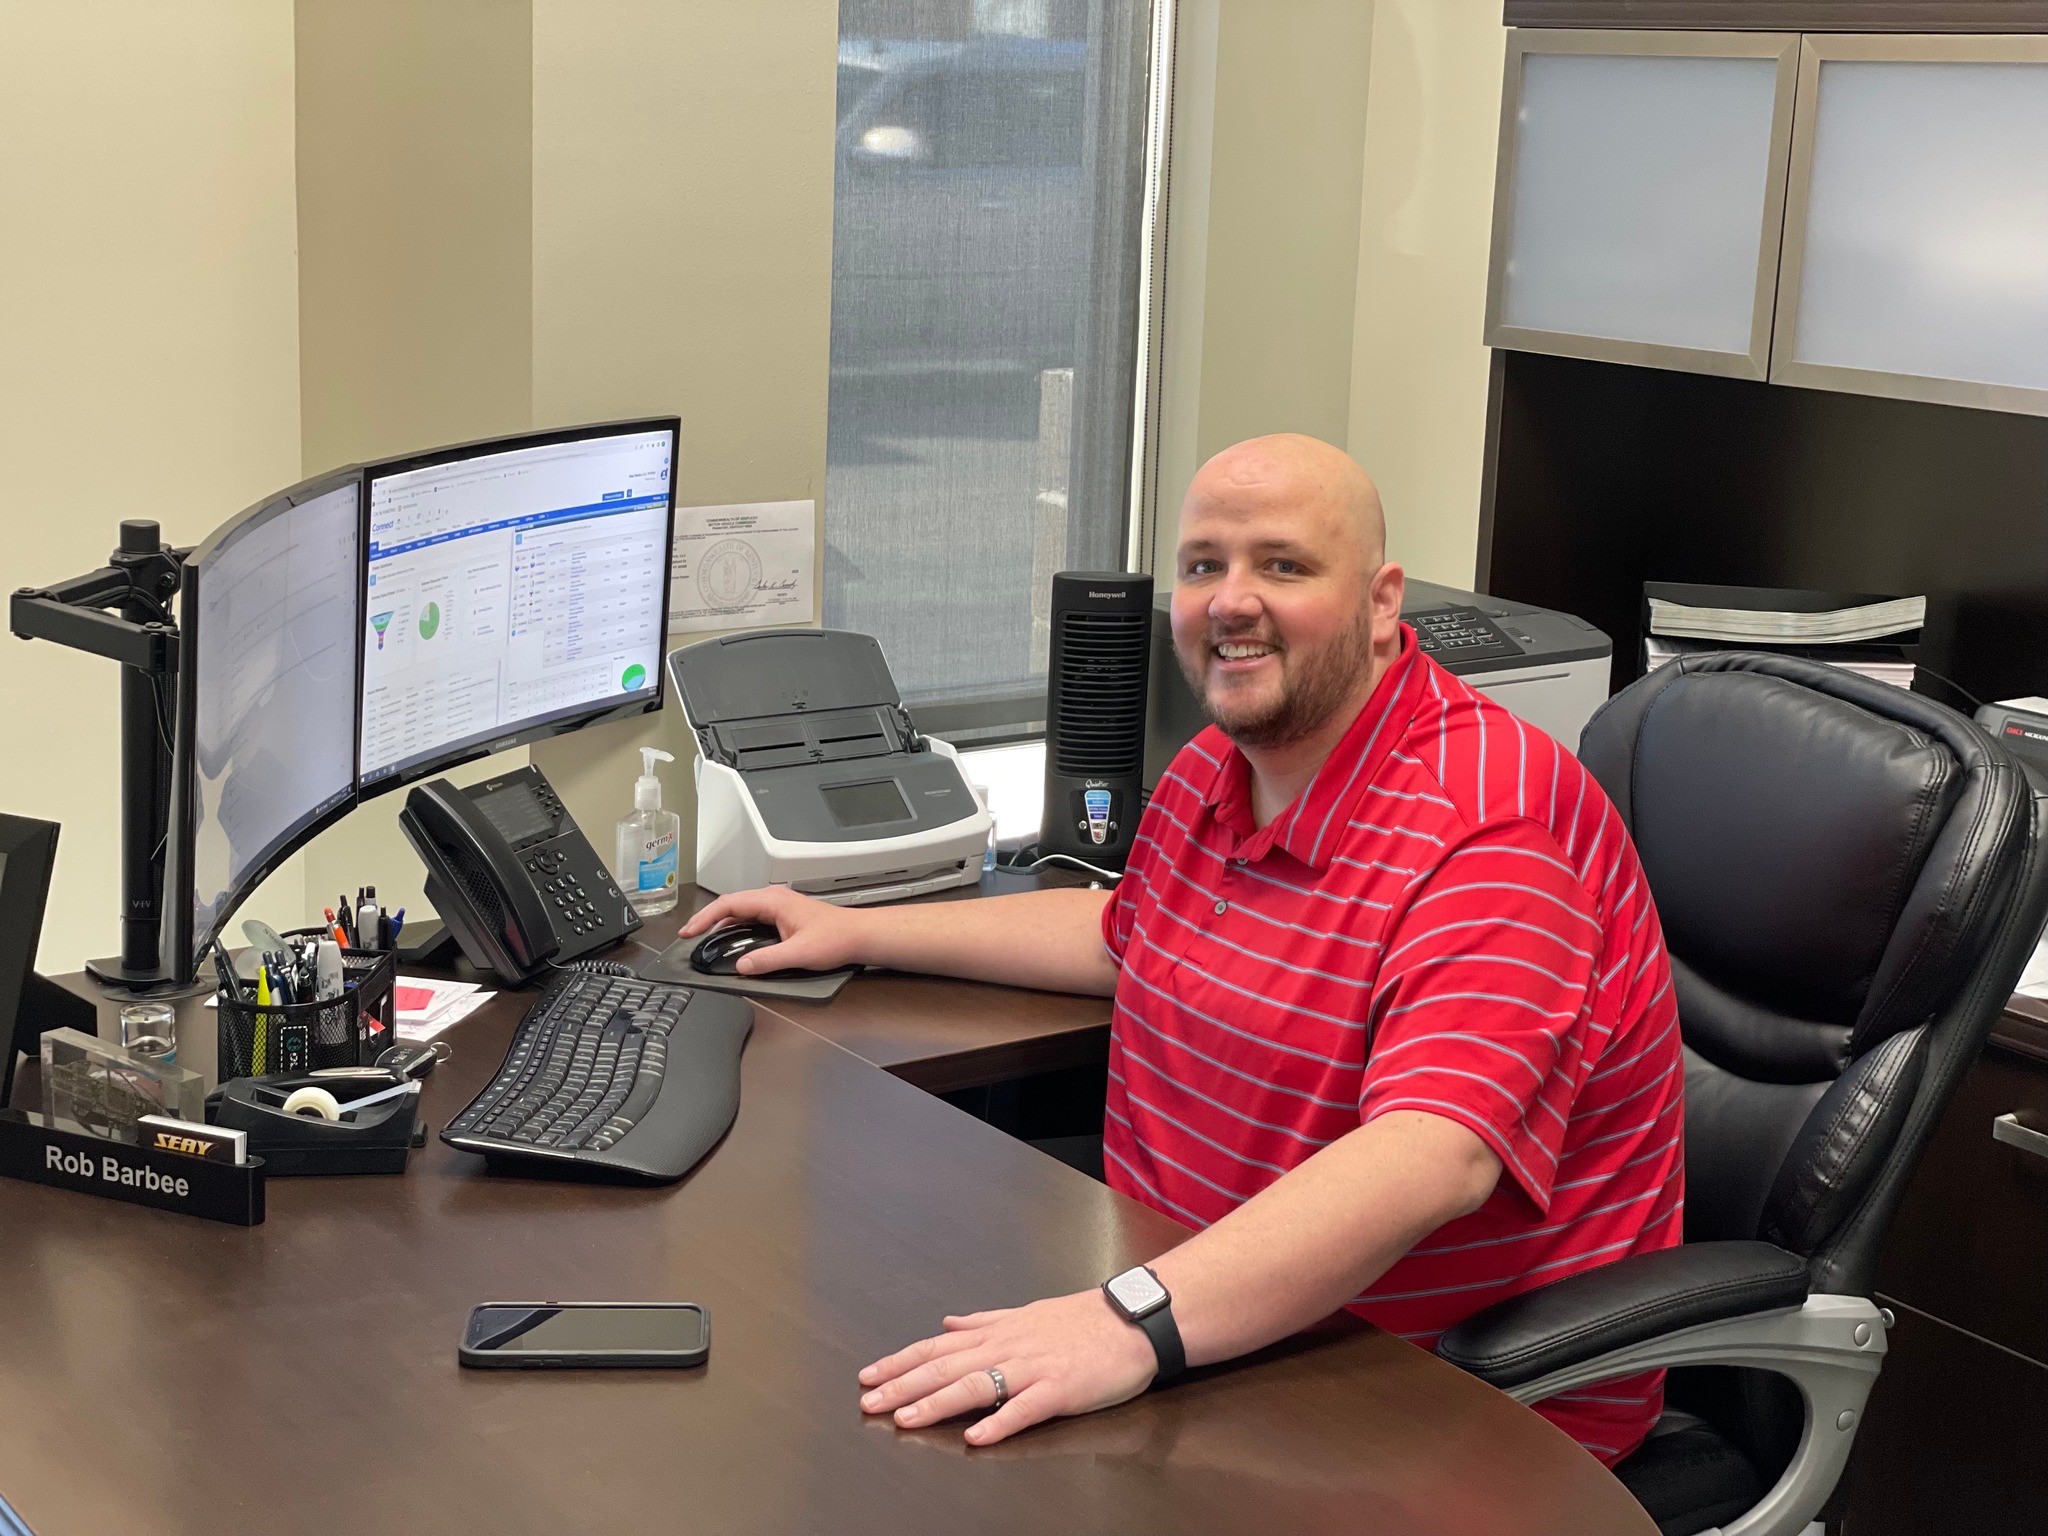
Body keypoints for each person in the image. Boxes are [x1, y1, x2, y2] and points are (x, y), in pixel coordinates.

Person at [679, 434, 1684, 1466]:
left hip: (1435, 1404)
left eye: (1282, 565)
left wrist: (1124, 1323)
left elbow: (1432, 1157)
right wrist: (855, 928)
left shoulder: (1492, 829)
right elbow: (1129, 938)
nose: (1231, 601)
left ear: (1382, 603)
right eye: (1205, 566)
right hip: (1211, 1317)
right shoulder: (1221, 767)